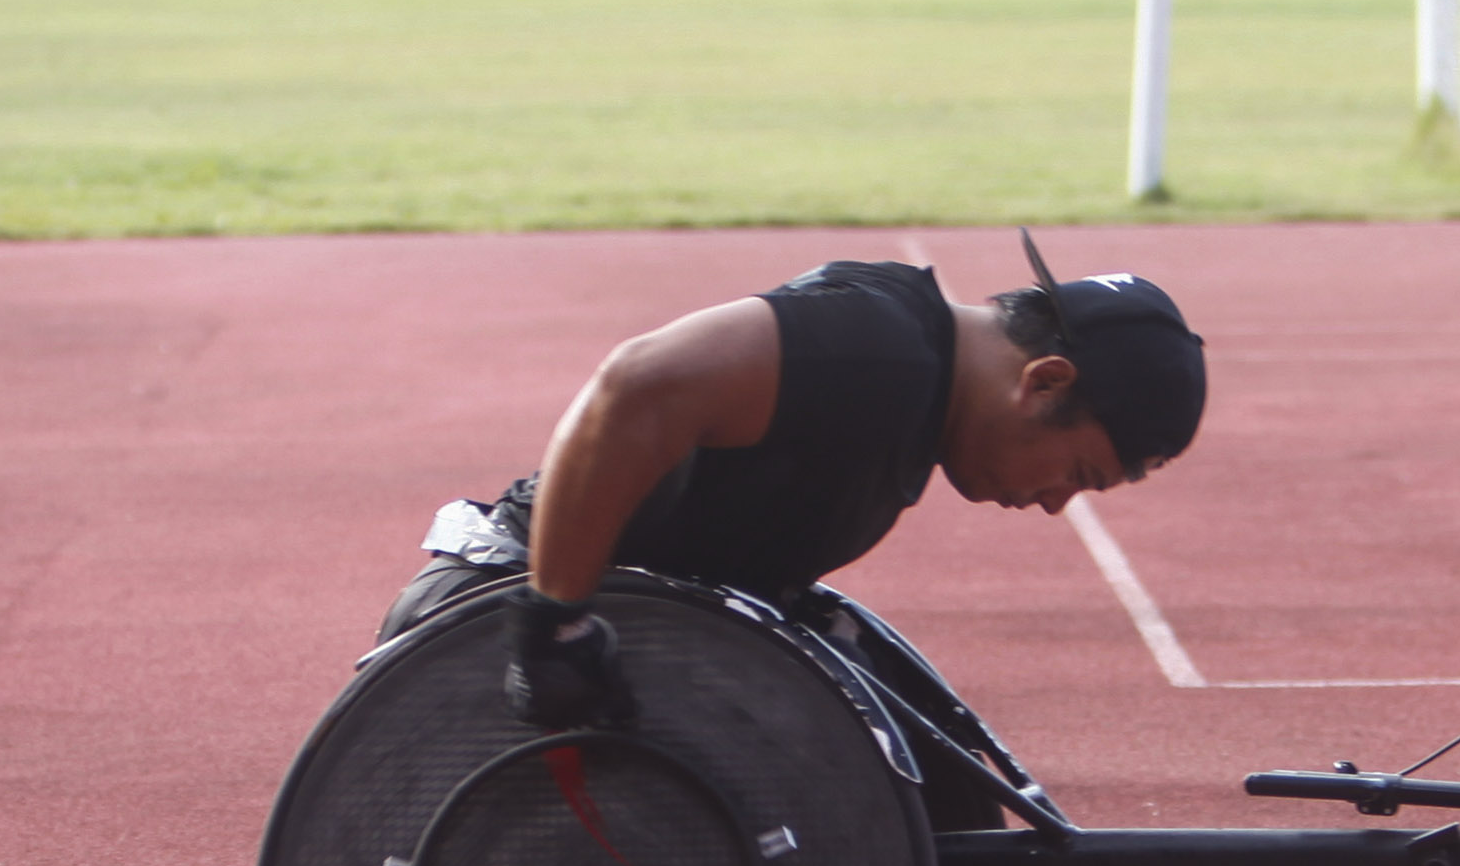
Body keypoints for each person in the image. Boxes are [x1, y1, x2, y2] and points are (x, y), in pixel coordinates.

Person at [381, 238, 1207, 728]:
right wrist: (552, 619)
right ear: (1045, 381)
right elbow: (637, 382)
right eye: (1079, 473)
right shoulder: (878, 351)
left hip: (603, 629)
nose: (1057, 502)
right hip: (489, 632)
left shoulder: (914, 385)